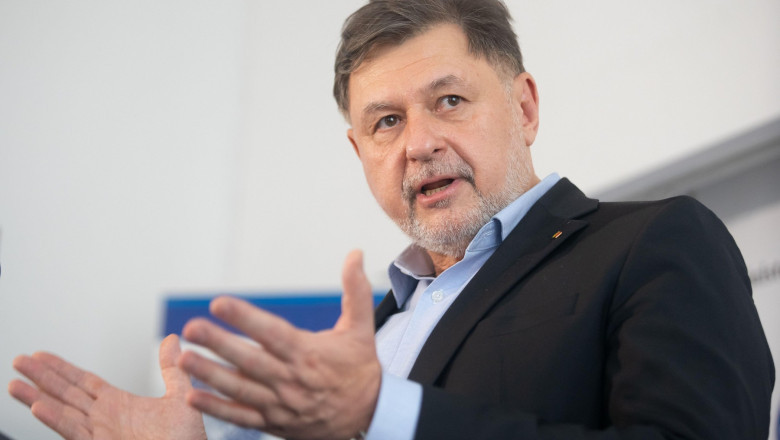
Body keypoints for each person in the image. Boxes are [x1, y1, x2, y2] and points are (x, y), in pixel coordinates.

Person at [9, 0, 775, 439]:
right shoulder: (367, 337)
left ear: (524, 107)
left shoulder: (655, 243)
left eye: (449, 100)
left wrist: (386, 413)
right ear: (360, 151)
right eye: (385, 122)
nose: (418, 144)